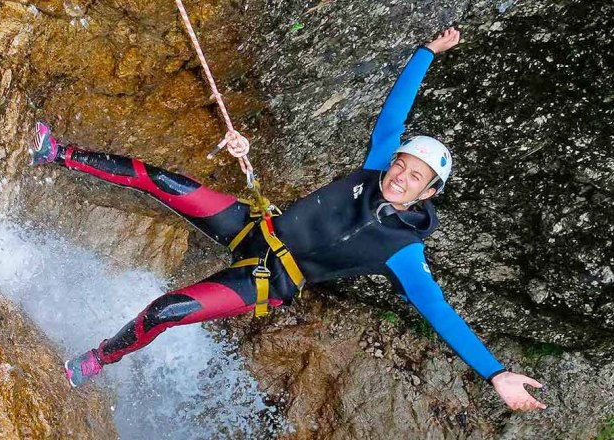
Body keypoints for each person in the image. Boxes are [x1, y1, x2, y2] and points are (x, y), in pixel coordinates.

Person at [30, 27, 546, 412]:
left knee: (166, 311)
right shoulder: (376, 164)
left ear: (429, 193)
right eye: (402, 166)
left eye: (416, 178)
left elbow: (442, 314)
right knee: (162, 180)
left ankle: (98, 359)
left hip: (268, 279)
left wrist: (495, 373)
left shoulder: (405, 254)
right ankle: (56, 153)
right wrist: (426, 54)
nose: (401, 178)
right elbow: (394, 111)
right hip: (256, 227)